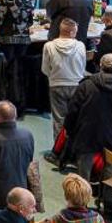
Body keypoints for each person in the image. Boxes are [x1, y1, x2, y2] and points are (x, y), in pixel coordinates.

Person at [62, 54, 112, 178]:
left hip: (87, 134)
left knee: (82, 175)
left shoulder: (86, 86)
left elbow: (73, 110)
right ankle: (108, 197)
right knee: (111, 177)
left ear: (100, 66)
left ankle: (81, 196)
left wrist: (69, 129)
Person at [41, 19, 88, 154]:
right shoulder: (80, 46)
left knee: (58, 119)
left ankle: (59, 151)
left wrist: (54, 76)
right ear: (72, 32)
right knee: (76, 118)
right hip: (77, 85)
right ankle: (74, 151)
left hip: (56, 84)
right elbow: (83, 66)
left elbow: (45, 68)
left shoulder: (49, 46)